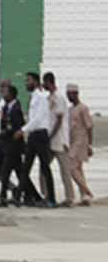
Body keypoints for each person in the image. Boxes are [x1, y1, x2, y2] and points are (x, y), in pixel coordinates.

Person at [18, 71, 56, 206]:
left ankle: (51, 198)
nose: (26, 83)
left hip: (40, 134)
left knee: (44, 166)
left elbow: (38, 118)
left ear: (35, 82)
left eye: (28, 80)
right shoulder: (33, 97)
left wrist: (23, 130)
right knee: (25, 167)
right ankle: (18, 196)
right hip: (33, 135)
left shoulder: (40, 98)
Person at [43, 71, 74, 206]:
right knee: (44, 168)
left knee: (65, 170)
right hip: (50, 140)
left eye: (44, 83)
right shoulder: (48, 98)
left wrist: (50, 137)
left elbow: (59, 121)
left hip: (59, 140)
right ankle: (46, 195)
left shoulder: (59, 98)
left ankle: (70, 197)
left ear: (48, 82)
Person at [67, 84, 95, 205]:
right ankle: (84, 196)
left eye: (71, 94)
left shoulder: (83, 108)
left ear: (76, 94)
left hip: (81, 141)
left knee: (71, 167)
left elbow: (89, 127)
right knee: (78, 168)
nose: (69, 97)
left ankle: (87, 191)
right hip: (72, 141)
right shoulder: (70, 110)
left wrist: (90, 145)